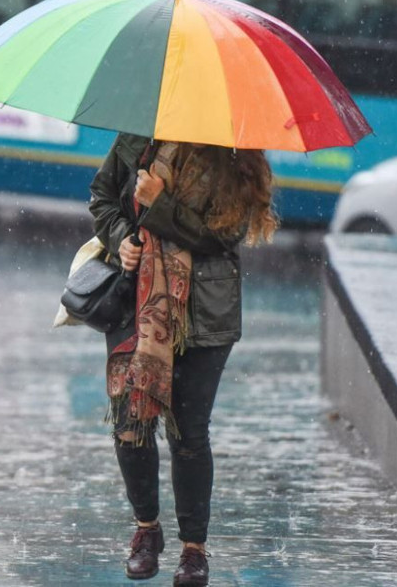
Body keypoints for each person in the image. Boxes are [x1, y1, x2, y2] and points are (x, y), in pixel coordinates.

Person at [88, 133, 277, 585]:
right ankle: (146, 531)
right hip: (135, 303)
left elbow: (222, 235)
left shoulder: (233, 152)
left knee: (189, 433)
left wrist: (158, 205)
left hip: (204, 314)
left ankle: (194, 550)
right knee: (131, 425)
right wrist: (121, 239)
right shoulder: (137, 139)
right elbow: (101, 198)